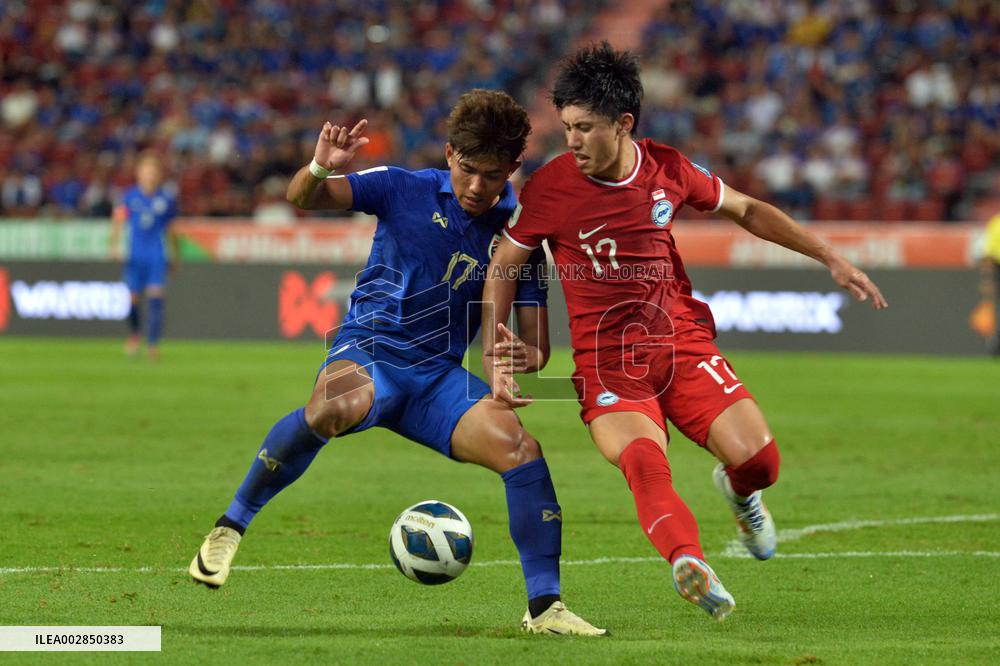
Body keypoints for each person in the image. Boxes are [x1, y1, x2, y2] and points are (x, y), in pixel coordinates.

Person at [483, 43, 888, 622]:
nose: (571, 141)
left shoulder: (667, 169)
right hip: (607, 363)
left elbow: (747, 210)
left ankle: (741, 492)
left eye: (585, 128)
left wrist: (831, 258)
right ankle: (688, 563)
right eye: (567, 127)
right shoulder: (551, 187)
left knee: (762, 462)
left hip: (680, 343)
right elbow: (505, 264)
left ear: (623, 125)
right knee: (644, 462)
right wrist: (498, 351)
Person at [188, 90, 605, 636]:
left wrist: (525, 355)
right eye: (471, 171)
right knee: (336, 405)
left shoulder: (519, 236)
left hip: (437, 381)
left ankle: (545, 608)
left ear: (514, 168)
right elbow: (304, 197)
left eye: (495, 176)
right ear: (451, 155)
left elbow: (536, 345)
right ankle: (230, 527)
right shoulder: (401, 187)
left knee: (521, 450)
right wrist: (319, 168)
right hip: (370, 351)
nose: (480, 187)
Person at [108, 152, 180, 360]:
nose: (149, 175)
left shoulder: (166, 199)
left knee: (156, 296)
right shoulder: (129, 196)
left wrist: (175, 257)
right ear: (138, 173)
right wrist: (113, 245)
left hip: (156, 254)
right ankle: (135, 334)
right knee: (132, 299)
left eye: (153, 171)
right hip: (135, 254)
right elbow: (118, 221)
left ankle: (153, 345)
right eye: (145, 170)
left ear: (158, 174)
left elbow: (171, 230)